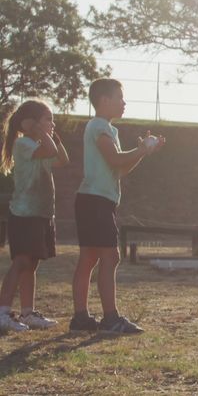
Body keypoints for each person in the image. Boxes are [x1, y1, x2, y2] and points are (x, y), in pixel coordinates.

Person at [70, 78, 165, 333]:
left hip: (96, 200)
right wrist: (142, 148)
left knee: (90, 258)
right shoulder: (99, 126)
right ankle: (110, 318)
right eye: (120, 98)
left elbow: (120, 168)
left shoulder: (107, 129)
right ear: (104, 100)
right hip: (96, 201)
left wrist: (143, 151)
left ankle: (81, 318)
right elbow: (114, 159)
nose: (124, 103)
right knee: (110, 256)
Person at [0, 100, 69, 331]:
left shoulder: (41, 144)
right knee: (21, 262)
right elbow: (50, 151)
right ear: (30, 123)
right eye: (48, 119)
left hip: (41, 213)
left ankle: (27, 313)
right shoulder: (24, 144)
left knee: (32, 264)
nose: (52, 123)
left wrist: (51, 134)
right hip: (24, 213)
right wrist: (40, 132)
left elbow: (62, 159)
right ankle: (3, 312)